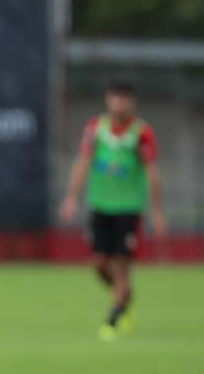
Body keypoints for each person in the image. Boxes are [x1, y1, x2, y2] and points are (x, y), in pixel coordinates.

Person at [58, 79, 166, 341]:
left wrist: (156, 209)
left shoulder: (142, 133)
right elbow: (83, 162)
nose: (118, 103)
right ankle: (124, 295)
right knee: (98, 264)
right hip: (100, 205)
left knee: (121, 262)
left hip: (128, 208)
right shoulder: (96, 128)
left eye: (123, 98)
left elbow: (152, 171)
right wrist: (71, 197)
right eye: (114, 98)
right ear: (108, 101)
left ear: (131, 102)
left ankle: (114, 316)